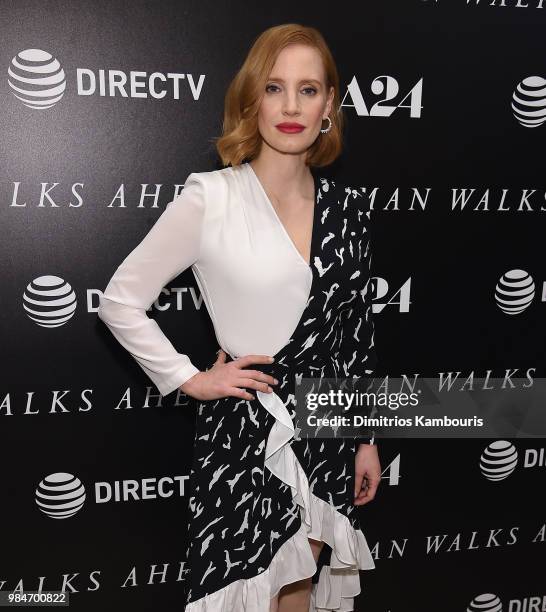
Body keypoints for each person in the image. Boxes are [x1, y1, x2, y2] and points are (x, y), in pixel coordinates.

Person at [97, 23, 381, 612]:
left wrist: (367, 438)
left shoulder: (349, 209)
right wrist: (191, 377)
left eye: (309, 89)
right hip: (245, 434)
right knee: (246, 596)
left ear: (330, 103)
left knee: (299, 593)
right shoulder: (212, 197)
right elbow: (120, 301)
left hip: (326, 428)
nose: (291, 106)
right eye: (275, 88)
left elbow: (356, 335)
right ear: (253, 99)